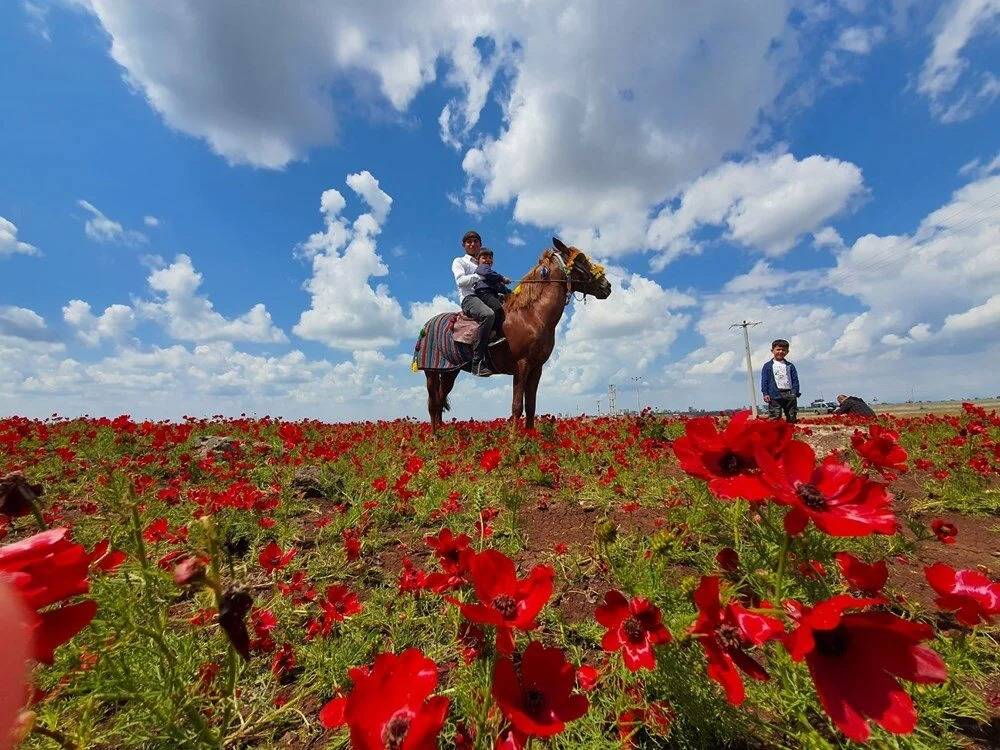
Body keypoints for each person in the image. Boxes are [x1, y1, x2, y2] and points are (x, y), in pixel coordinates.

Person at [452, 230, 494, 376]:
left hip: (486, 296)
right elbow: (461, 281)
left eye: (476, 241)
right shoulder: (459, 261)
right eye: (469, 241)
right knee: (488, 314)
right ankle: (477, 362)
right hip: (469, 298)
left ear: (480, 244)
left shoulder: (484, 261)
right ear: (464, 245)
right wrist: (478, 276)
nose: (472, 244)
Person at [472, 247, 512, 343]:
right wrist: (502, 278)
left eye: (490, 258)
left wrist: (510, 293)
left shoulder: (491, 275)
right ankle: (490, 334)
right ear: (478, 260)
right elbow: (488, 273)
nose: (488, 260)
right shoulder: (483, 269)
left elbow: (499, 287)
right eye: (484, 258)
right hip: (484, 293)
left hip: (491, 293)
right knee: (497, 308)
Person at [761, 339, 800, 423]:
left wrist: (795, 392)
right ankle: (774, 434)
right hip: (774, 394)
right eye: (778, 349)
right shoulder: (768, 366)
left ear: (787, 352)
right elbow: (765, 380)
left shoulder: (790, 365)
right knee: (775, 416)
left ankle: (791, 433)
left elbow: (795, 380)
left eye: (783, 350)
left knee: (792, 415)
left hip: (789, 394)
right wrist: (765, 393)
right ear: (772, 351)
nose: (781, 352)